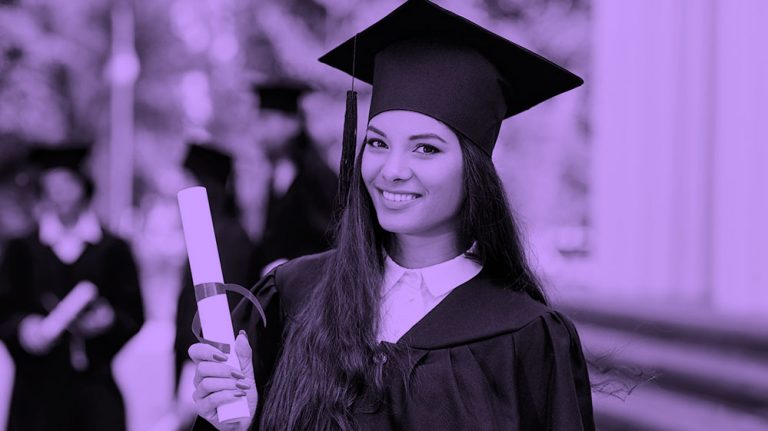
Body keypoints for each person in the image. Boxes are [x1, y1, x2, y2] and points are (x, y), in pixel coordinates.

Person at [189, 1, 594, 430]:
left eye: (426, 148)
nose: (392, 170)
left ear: (474, 171)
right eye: (379, 143)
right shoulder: (294, 296)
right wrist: (236, 422)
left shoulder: (525, 337)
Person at [0, 144, 144, 430]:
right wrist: (23, 329)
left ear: (83, 184)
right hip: (35, 395)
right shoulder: (22, 248)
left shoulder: (112, 248)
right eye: (51, 186)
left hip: (94, 388)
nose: (59, 194)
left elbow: (134, 312)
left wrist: (109, 320)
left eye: (66, 183)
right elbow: (4, 308)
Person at [171, 143, 254, 431]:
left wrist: (189, 370)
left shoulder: (227, 238)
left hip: (211, 368)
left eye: (188, 182)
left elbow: (220, 313)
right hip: (198, 366)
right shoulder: (212, 233)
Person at [250, 79, 338, 277]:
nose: (259, 132)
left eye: (266, 119)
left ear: (292, 124)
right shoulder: (277, 174)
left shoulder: (317, 177)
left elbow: (328, 243)